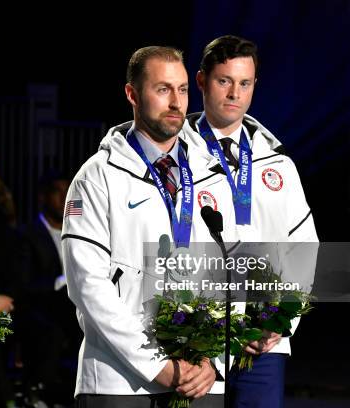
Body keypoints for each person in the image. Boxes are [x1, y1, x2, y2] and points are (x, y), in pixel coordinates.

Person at [62, 46, 228, 408]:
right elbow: (87, 285)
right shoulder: (97, 177)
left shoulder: (211, 175)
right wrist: (157, 366)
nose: (176, 102)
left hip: (199, 382)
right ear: (132, 94)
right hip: (120, 381)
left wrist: (212, 359)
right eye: (163, 89)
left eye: (183, 90)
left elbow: (227, 272)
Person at [184, 35, 319, 407]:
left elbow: (304, 247)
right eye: (223, 81)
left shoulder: (278, 164)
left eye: (244, 83)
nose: (234, 94)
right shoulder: (174, 158)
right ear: (201, 82)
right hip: (195, 335)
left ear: (255, 85)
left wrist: (280, 321)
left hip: (263, 341)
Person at [19, 171, 81, 405]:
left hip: (74, 306)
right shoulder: (27, 234)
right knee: (54, 328)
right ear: (43, 197)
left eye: (69, 192)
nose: (65, 198)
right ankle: (39, 390)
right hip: (40, 307)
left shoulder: (79, 233)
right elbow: (23, 285)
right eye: (59, 192)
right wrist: (59, 282)